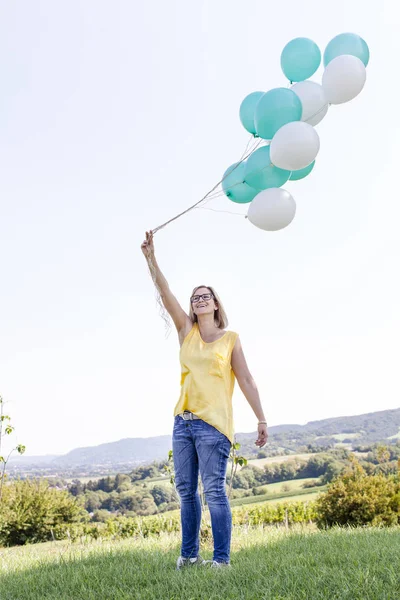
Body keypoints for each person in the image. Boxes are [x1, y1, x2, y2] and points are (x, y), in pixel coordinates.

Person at [141, 231, 268, 569]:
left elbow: (246, 379)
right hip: (183, 422)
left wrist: (261, 418)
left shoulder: (230, 340)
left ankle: (222, 560)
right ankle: (189, 556)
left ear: (215, 304)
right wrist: (151, 259)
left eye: (205, 296)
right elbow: (165, 292)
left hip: (214, 426)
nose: (199, 299)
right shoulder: (186, 331)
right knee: (186, 491)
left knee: (214, 491)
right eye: (195, 297)